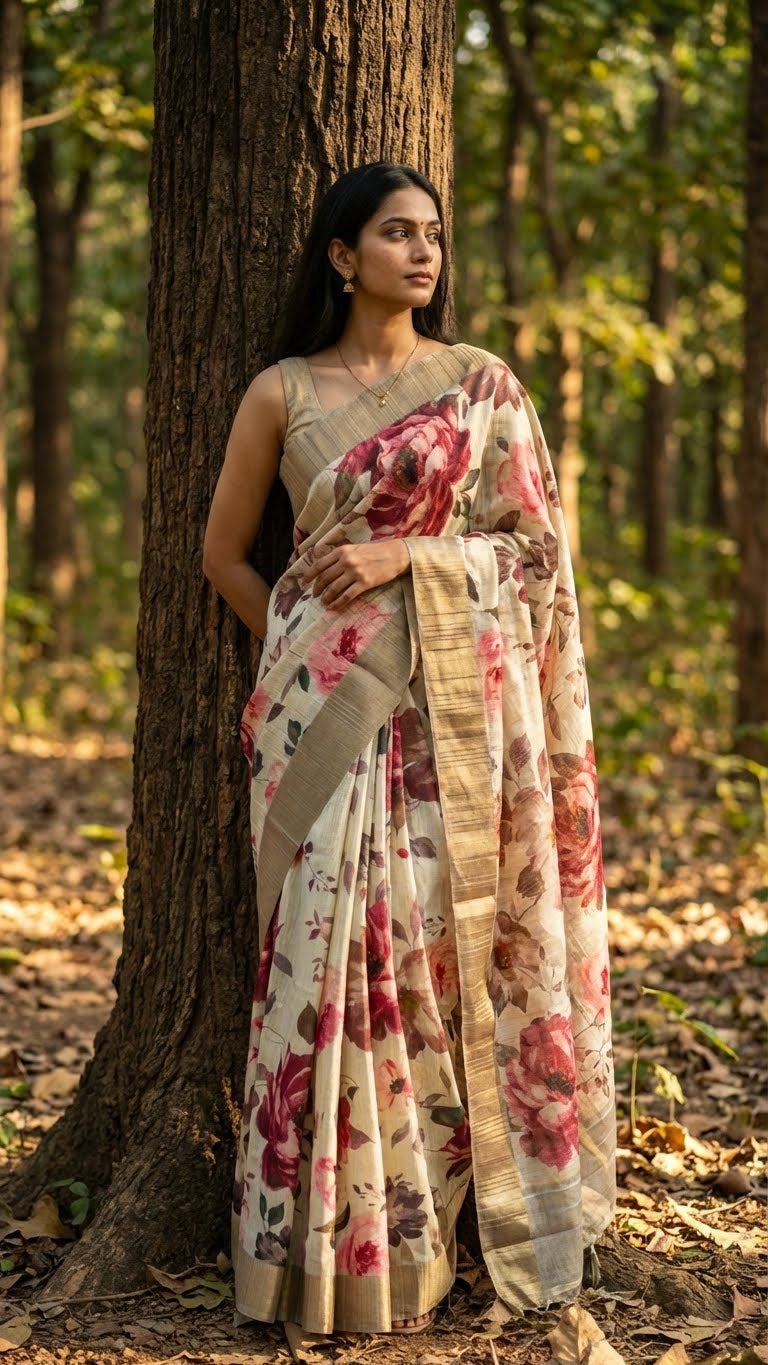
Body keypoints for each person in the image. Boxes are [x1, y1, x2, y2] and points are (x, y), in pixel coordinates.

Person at [203, 161, 616, 1339]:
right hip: (318, 723)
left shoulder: (482, 387)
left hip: (452, 726)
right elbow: (227, 556)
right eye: (397, 234)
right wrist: (301, 653)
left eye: (432, 234)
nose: (424, 253)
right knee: (326, 963)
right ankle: (327, 1262)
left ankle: (438, 1231)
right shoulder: (280, 392)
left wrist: (410, 563)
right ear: (343, 256)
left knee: (437, 974)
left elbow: (535, 561)